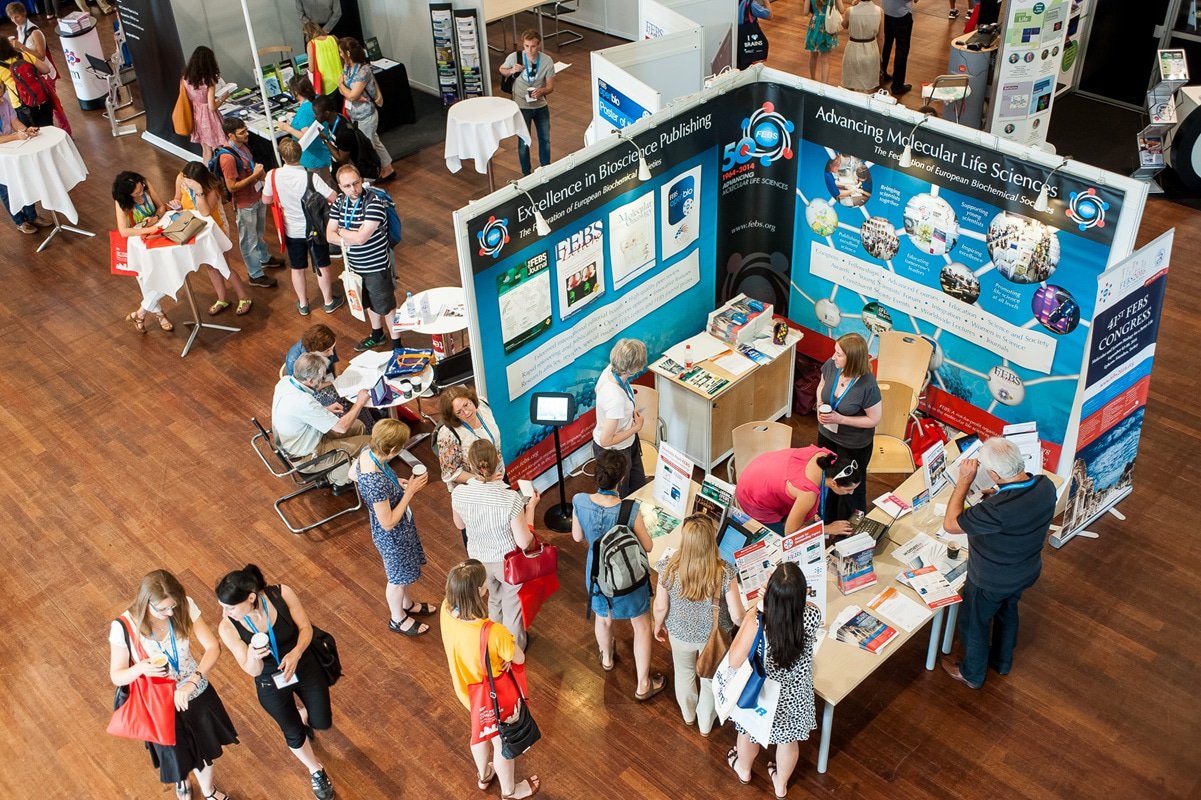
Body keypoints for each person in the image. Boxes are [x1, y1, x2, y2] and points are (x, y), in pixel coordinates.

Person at [108, 570, 238, 800]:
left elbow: (212, 647)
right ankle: (183, 782)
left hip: (194, 691)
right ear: (146, 603)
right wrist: (140, 669)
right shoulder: (124, 627)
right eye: (163, 609)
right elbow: (117, 676)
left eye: (173, 606)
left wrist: (193, 682)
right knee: (175, 753)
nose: (170, 613)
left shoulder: (184, 606)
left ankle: (209, 791)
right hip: (159, 703)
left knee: (206, 749)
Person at [940, 436, 1057, 689]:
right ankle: (1002, 662)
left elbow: (950, 524)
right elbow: (1021, 506)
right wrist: (998, 494)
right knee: (1007, 612)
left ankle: (972, 674)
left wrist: (964, 481)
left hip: (991, 579)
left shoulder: (995, 511)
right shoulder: (1045, 485)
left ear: (993, 473)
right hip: (1026, 570)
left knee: (974, 624)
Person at [214, 565, 336, 800]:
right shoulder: (228, 626)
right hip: (270, 681)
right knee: (293, 733)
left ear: (251, 598)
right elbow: (252, 670)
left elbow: (305, 628)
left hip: (303, 664)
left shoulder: (281, 594)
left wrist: (297, 652)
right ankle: (315, 770)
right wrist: (253, 656)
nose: (225, 612)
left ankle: (304, 714)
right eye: (222, 606)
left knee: (321, 720)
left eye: (230, 607)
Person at [439, 559, 542, 799]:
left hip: (467, 691)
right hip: (494, 698)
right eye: (484, 584)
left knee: (479, 731)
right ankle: (510, 791)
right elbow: (517, 657)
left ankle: (484, 774)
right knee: (501, 742)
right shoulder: (493, 632)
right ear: (478, 591)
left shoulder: (446, 609)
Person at [572, 449, 666, 701]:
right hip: (628, 580)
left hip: (597, 575)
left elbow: (577, 537)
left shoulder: (579, 501)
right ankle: (643, 684)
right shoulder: (630, 509)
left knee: (602, 619)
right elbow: (647, 546)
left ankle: (607, 659)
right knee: (642, 626)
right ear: (622, 478)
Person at [726, 562, 821, 798]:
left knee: (748, 733)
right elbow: (798, 606)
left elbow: (734, 661)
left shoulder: (759, 621)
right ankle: (780, 785)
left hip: (762, 694)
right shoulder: (811, 615)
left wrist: (759, 606)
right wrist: (782, 596)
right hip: (795, 695)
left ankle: (744, 769)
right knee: (788, 743)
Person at [653, 515, 745, 735]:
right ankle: (705, 725)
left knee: (683, 674)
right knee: (710, 681)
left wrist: (658, 625)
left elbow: (660, 606)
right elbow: (737, 616)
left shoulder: (668, 567)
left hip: (679, 633)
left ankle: (688, 716)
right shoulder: (724, 572)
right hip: (713, 637)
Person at [450, 440, 539, 650]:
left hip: (478, 560)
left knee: (493, 599)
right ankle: (513, 649)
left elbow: (459, 524)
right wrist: (531, 509)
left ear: (470, 466)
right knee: (512, 606)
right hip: (506, 561)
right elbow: (524, 541)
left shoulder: (458, 494)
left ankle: (494, 643)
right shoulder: (510, 499)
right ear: (498, 460)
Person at [351, 419, 436, 636]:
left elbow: (353, 474)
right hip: (393, 536)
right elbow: (387, 523)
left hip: (401, 528)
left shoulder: (369, 451)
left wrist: (395, 482)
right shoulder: (375, 483)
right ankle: (397, 619)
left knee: (404, 572)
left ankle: (407, 605)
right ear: (392, 449)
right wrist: (410, 492)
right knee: (397, 578)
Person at [262, 137, 343, 315]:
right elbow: (333, 197)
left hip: (290, 230)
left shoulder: (272, 175)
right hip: (314, 228)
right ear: (301, 154)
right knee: (322, 266)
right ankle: (328, 301)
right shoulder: (310, 177)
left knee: (297, 268)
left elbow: (266, 199)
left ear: (283, 157)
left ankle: (304, 304)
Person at [326, 164, 402, 352]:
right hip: (355, 267)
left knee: (386, 306)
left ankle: (397, 345)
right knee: (368, 303)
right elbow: (329, 234)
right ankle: (377, 334)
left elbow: (361, 238)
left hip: (376, 266)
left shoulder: (374, 202)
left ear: (361, 180)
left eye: (356, 183)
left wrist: (342, 232)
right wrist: (348, 237)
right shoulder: (340, 203)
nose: (353, 189)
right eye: (347, 186)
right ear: (340, 186)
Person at [271, 351, 372, 486]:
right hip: (308, 457)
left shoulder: (285, 382)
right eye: (322, 378)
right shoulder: (304, 402)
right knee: (371, 443)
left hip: (302, 439)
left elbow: (297, 412)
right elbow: (342, 428)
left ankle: (352, 464)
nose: (324, 380)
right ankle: (336, 477)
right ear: (311, 380)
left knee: (359, 425)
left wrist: (323, 410)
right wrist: (359, 402)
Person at [173, 161, 253, 317]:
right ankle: (222, 298)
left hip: (215, 230)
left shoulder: (211, 189)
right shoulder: (181, 178)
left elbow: (205, 212)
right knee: (210, 266)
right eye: (186, 178)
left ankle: (244, 297)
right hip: (195, 229)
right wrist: (176, 203)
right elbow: (177, 196)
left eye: (191, 180)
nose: (186, 181)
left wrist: (198, 192)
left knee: (223, 265)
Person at [815, 332, 882, 519]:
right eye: (835, 352)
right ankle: (826, 517)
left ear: (851, 359)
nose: (833, 357)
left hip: (853, 444)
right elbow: (822, 384)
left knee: (849, 486)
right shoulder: (832, 365)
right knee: (827, 478)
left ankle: (849, 527)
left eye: (838, 354)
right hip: (827, 434)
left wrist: (841, 419)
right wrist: (820, 404)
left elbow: (874, 419)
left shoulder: (868, 385)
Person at [218, 116, 283, 289]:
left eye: (246, 130)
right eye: (242, 132)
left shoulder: (244, 147)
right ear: (230, 135)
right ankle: (255, 274)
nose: (247, 134)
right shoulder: (228, 158)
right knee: (248, 240)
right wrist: (255, 176)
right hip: (244, 204)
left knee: (258, 231)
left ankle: (265, 258)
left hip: (257, 197)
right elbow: (232, 187)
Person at [734, 446, 858, 536]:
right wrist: (828, 529)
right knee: (784, 543)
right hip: (752, 498)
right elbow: (790, 533)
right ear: (834, 483)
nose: (851, 493)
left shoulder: (828, 458)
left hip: (757, 473)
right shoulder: (808, 493)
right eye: (849, 489)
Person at [112, 170, 176, 334]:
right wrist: (147, 229)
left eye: (141, 189)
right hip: (137, 244)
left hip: (156, 237)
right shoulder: (121, 202)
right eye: (136, 193)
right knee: (146, 282)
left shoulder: (146, 185)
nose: (141, 192)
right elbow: (124, 231)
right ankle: (160, 315)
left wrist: (155, 217)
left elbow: (162, 206)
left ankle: (139, 314)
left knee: (167, 278)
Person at [591, 338, 649, 497]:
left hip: (628, 443)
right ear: (633, 369)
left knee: (638, 486)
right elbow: (606, 440)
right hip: (615, 452)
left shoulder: (609, 369)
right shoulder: (615, 398)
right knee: (621, 496)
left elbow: (597, 390)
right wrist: (636, 427)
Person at [5, 2, 70, 134]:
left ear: (24, 13)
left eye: (16, 17)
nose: (14, 20)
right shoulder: (20, 30)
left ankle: (67, 132)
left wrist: (21, 48)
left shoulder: (35, 32)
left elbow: (41, 55)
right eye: (12, 18)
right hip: (34, 73)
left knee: (55, 105)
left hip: (45, 72)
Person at [337, 37, 395, 181]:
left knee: (367, 147)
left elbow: (349, 91)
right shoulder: (348, 67)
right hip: (356, 115)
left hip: (366, 115)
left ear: (348, 53)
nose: (340, 55)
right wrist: (350, 93)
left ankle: (370, 177)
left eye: (341, 52)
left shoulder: (364, 71)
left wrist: (349, 93)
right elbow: (343, 85)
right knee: (374, 141)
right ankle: (388, 167)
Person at [499, 31, 554, 176]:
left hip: (540, 105)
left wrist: (542, 91)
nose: (530, 50)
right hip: (521, 106)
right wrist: (512, 70)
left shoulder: (547, 61)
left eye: (533, 46)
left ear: (539, 45)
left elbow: (550, 87)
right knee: (523, 142)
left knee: (545, 139)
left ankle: (546, 170)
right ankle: (526, 174)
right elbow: (502, 70)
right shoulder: (515, 57)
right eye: (526, 46)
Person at [437, 385, 505, 492]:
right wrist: (481, 479)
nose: (467, 412)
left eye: (466, 405)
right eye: (459, 412)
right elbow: (449, 473)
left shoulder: (483, 405)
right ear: (454, 416)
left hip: (497, 475)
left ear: (471, 399)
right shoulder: (448, 434)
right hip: (474, 488)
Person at [0, 92, 48, 234]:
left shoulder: (4, 102)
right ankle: (20, 222)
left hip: (11, 151)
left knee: (23, 182)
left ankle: (32, 216)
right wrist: (15, 137)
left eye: (1, 94)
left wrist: (25, 130)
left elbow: (14, 121)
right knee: (6, 190)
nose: (2, 99)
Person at [181, 46, 231, 163]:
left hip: (196, 114)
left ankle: (206, 176)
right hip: (209, 118)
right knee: (219, 147)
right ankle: (221, 174)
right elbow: (212, 106)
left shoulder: (186, 78)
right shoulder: (209, 81)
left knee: (206, 150)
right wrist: (223, 98)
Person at [0, 35, 52, 127]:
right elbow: (46, 69)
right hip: (41, 97)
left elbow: (0, 91)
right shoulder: (23, 55)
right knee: (49, 129)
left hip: (21, 104)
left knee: (32, 134)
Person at [841, 0, 883, 93]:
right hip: (871, 49)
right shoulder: (879, 11)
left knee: (850, 83)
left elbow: (844, 25)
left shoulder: (850, 11)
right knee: (869, 84)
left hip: (853, 48)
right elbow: (880, 37)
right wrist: (880, 53)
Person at [803, 0, 843, 85]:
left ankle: (813, 79)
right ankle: (824, 84)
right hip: (828, 25)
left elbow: (805, 12)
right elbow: (842, 10)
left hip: (815, 24)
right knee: (825, 60)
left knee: (813, 55)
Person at [881, 0, 916, 96]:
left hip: (886, 10)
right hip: (901, 14)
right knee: (902, 48)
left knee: (886, 44)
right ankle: (897, 85)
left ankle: (881, 73)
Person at [304, 21, 342, 97]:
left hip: (326, 84)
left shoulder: (311, 44)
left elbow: (311, 69)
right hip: (341, 79)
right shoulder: (333, 38)